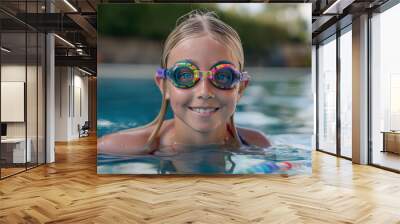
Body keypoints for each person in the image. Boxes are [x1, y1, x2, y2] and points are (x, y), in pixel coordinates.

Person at [99, 9, 271, 156]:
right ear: (164, 85)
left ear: (240, 88)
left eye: (223, 76)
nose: (204, 91)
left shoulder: (257, 145)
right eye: (185, 75)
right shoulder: (115, 148)